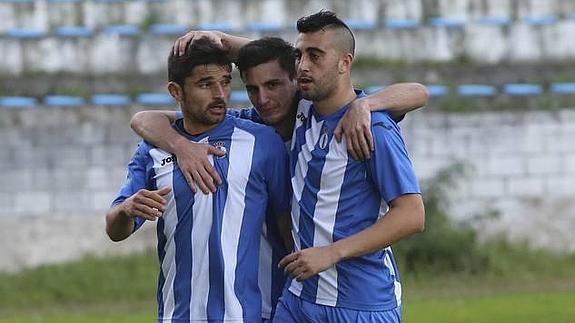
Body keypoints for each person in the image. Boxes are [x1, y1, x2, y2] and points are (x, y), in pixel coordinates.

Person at [130, 32, 427, 322]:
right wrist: (182, 147)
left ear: (297, 80)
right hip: (299, 296)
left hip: (360, 295)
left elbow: (418, 92)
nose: (263, 98)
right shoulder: (251, 124)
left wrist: (367, 103)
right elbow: (144, 119)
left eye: (273, 85)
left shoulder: (333, 115)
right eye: (252, 89)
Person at [105, 38, 291, 323]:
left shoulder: (263, 142)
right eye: (205, 84)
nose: (220, 94)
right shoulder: (153, 151)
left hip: (251, 315)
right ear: (176, 90)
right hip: (178, 315)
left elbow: (288, 230)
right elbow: (115, 230)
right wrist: (126, 209)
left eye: (226, 82)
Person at [271, 10, 425, 322]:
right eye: (298, 55)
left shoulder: (372, 128)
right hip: (299, 298)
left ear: (345, 63)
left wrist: (332, 252)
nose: (302, 66)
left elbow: (412, 215)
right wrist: (212, 39)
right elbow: (257, 56)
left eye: (315, 56)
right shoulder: (300, 108)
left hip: (359, 304)